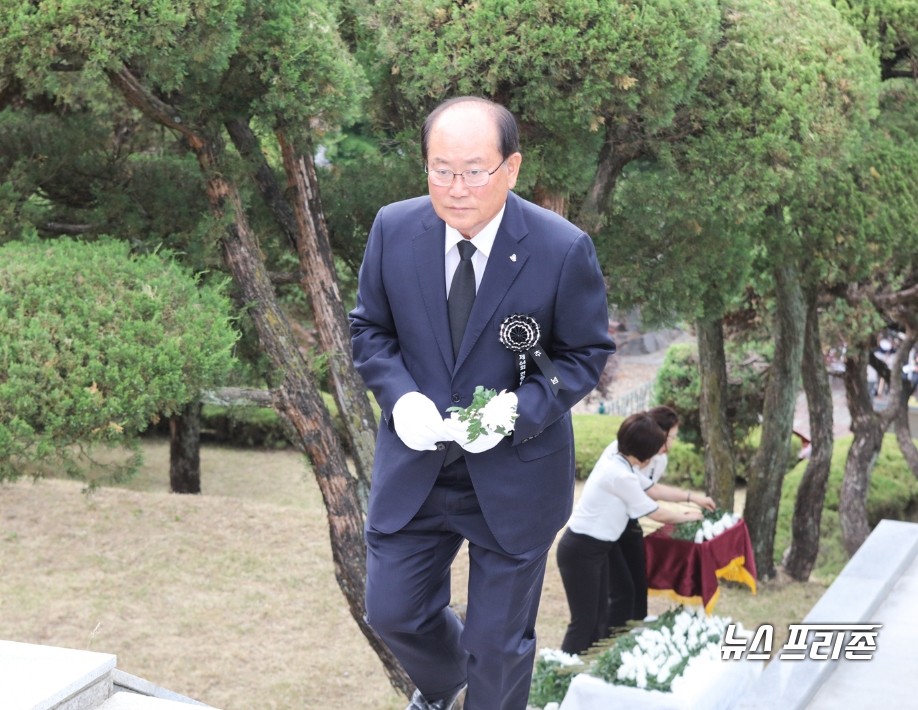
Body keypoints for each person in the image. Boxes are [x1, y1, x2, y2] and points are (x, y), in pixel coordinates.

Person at [349, 96, 615, 710]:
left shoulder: (561, 247)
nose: (456, 186)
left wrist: (514, 411)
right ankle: (447, 687)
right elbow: (369, 331)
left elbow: (583, 354)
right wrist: (401, 397)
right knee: (391, 612)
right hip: (417, 467)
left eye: (474, 169)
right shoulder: (393, 228)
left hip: (514, 475)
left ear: (512, 168)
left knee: (498, 646)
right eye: (440, 169)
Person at [556, 413, 705, 655]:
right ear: (645, 453)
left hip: (596, 549)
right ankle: (561, 677)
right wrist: (692, 516)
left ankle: (591, 665)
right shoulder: (620, 474)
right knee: (584, 621)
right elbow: (655, 512)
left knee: (602, 613)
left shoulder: (621, 462)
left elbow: (651, 489)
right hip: (581, 550)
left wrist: (691, 499)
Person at [603, 406, 715, 628]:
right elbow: (651, 506)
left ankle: (636, 629)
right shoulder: (625, 454)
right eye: (671, 436)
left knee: (638, 582)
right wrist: (686, 515)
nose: (672, 443)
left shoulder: (658, 459)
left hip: (630, 521)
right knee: (621, 590)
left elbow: (652, 489)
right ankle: (616, 635)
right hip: (608, 527)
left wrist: (692, 498)